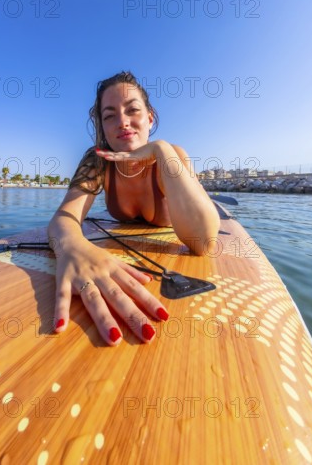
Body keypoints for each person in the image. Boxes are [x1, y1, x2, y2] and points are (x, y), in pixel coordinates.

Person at [48, 71, 220, 346]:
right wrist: (72, 246)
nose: (123, 122)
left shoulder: (171, 155)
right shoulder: (98, 161)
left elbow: (204, 242)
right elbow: (64, 218)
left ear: (150, 118)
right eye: (109, 115)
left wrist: (161, 150)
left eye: (132, 110)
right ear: (102, 127)